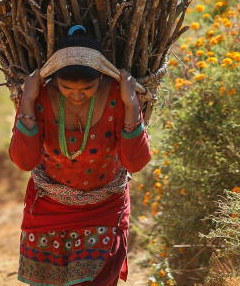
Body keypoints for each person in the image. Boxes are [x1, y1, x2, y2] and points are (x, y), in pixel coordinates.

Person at [9, 25, 152, 286]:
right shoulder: (39, 97)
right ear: (54, 80)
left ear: (101, 78)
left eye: (87, 88)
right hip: (48, 206)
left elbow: (135, 162)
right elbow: (25, 161)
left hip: (105, 206)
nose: (76, 95)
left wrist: (131, 103)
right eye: (66, 87)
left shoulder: (117, 98)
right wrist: (27, 99)